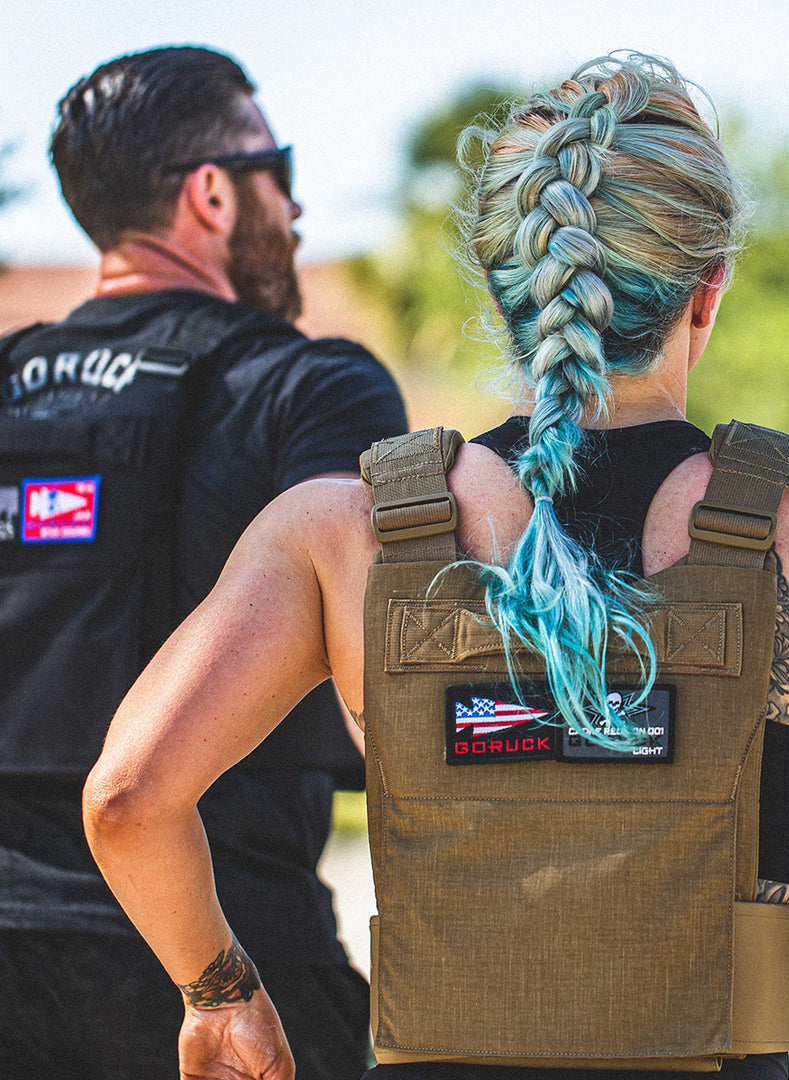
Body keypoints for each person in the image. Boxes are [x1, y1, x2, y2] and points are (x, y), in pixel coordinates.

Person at [83, 53, 789, 1080]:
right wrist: (764, 808)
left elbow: (128, 798)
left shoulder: (342, 534)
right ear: (708, 289)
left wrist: (220, 1000)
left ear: (505, 277)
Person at [0, 46, 407, 1079]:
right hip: (222, 960)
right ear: (215, 193)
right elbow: (393, 689)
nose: (299, 210)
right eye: (282, 172)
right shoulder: (312, 388)